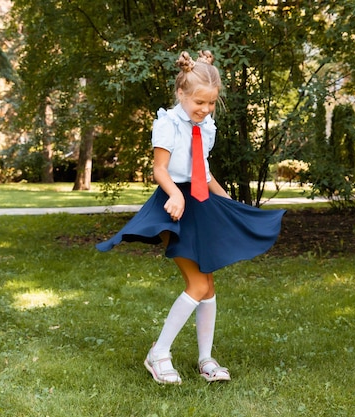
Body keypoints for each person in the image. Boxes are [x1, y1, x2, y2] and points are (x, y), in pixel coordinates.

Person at [96, 50, 285, 384]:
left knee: (208, 285)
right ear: (181, 93)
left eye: (211, 103)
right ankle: (159, 353)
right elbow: (159, 169)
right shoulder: (167, 123)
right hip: (175, 205)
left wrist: (228, 203)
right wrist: (175, 194)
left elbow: (205, 171)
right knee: (197, 283)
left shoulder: (205, 125)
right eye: (200, 102)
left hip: (200, 203)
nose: (205, 109)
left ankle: (206, 360)